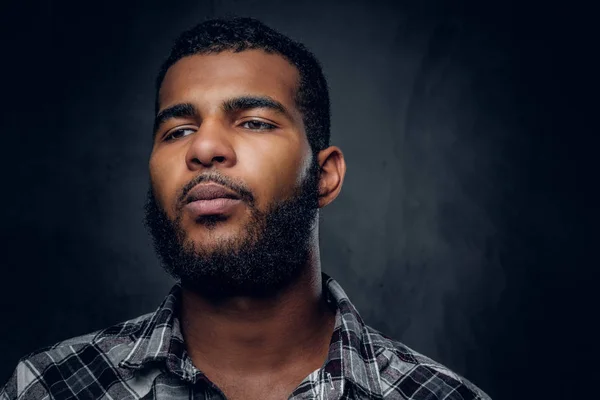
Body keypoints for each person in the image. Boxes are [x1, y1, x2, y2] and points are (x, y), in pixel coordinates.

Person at [1, 17, 490, 400]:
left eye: (254, 122)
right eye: (177, 131)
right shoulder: (48, 388)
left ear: (325, 176)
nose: (204, 148)